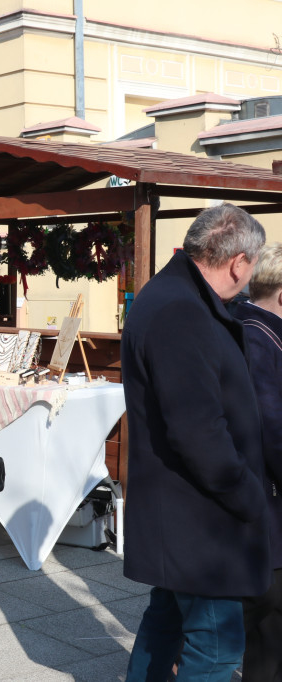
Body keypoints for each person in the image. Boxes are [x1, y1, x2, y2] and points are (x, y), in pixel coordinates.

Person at [122, 203, 271, 681]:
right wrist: (249, 494)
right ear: (238, 263)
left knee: (164, 625)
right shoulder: (181, 309)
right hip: (200, 521)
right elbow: (197, 430)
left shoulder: (174, 295)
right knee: (215, 649)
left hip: (184, 516)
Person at [231, 242, 282, 682]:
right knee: (267, 626)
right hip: (265, 500)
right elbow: (273, 429)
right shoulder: (260, 338)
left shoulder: (243, 325)